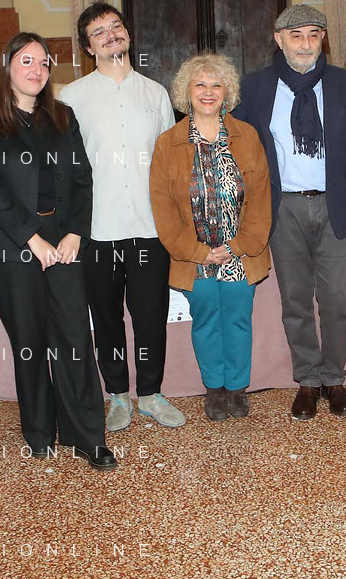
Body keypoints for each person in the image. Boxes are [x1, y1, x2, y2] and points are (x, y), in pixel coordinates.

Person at [0, 32, 116, 470]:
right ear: (7, 66)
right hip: (12, 244)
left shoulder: (63, 116)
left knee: (74, 336)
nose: (37, 70)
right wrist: (32, 239)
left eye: (44, 62)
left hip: (64, 240)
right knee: (29, 341)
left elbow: (83, 180)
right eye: (27, 61)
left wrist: (74, 234)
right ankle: (38, 432)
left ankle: (87, 435)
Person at [234, 4, 346, 420]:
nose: (306, 44)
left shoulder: (343, 83)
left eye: (314, 34)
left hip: (335, 206)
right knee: (295, 299)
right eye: (296, 35)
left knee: (336, 299)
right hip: (283, 209)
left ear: (323, 39)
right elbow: (239, 147)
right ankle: (308, 381)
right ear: (279, 40)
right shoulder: (255, 86)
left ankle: (334, 378)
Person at [59, 1, 184, 432]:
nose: (110, 34)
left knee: (151, 317)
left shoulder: (155, 93)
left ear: (128, 33)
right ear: (87, 48)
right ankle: (117, 396)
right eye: (99, 32)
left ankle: (150, 394)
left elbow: (170, 163)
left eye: (115, 26)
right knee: (106, 318)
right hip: (97, 229)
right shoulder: (71, 98)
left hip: (150, 227)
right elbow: (65, 169)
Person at [150, 54, 271, 420]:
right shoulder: (167, 143)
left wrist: (236, 246)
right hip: (195, 259)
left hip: (240, 255)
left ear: (227, 92)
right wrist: (198, 251)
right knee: (205, 322)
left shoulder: (247, 136)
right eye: (200, 84)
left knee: (237, 320)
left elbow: (261, 199)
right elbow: (163, 209)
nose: (208, 92)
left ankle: (237, 388)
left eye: (216, 85)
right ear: (186, 91)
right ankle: (214, 389)